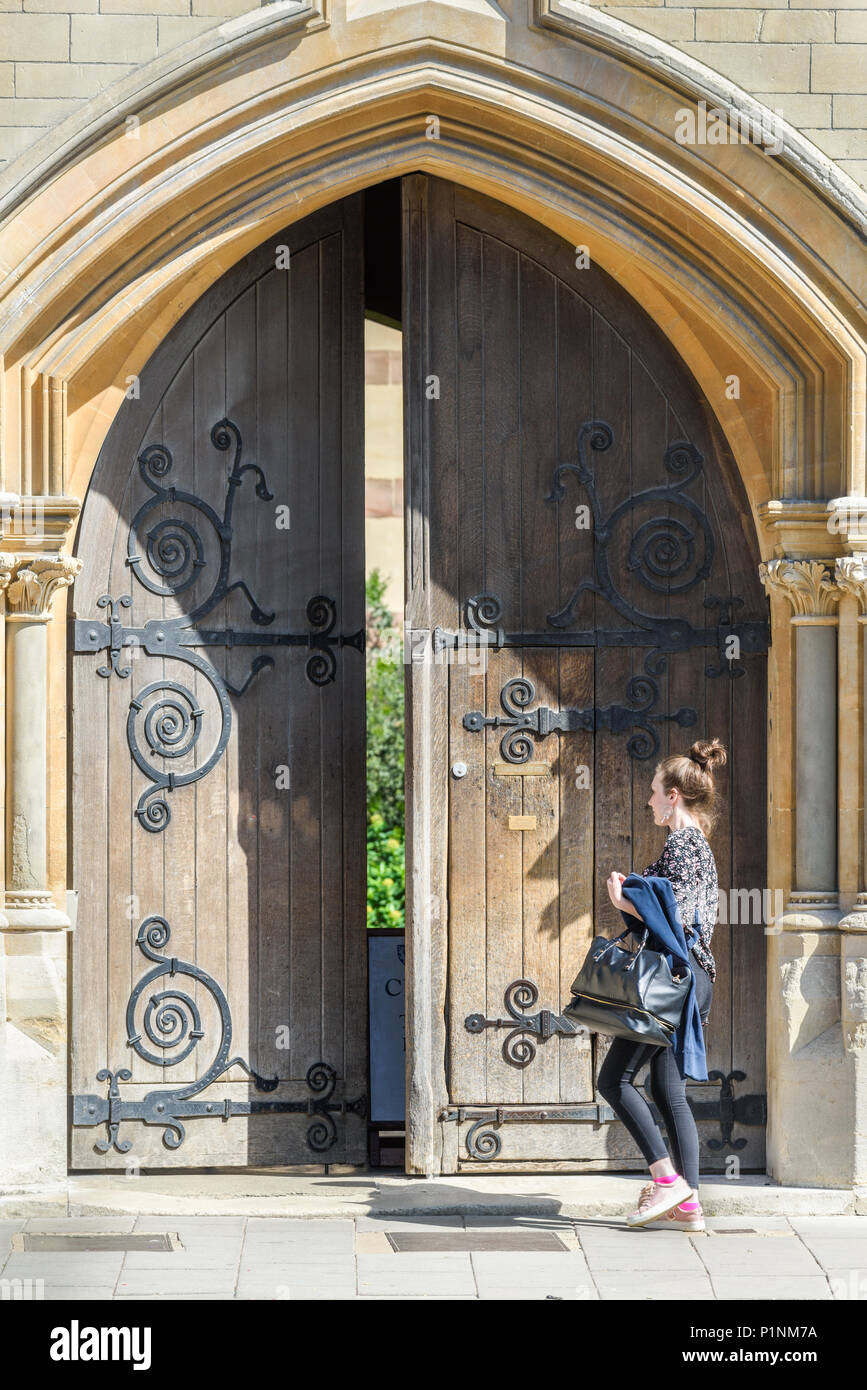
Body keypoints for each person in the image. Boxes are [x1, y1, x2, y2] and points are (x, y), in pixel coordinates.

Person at [596, 737, 726, 1232]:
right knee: (668, 1091)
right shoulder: (695, 846)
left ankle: (667, 1180)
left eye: (653, 791)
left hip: (673, 980)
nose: (648, 799)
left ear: (673, 795)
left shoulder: (682, 844)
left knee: (614, 1080)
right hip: (692, 979)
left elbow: (671, 921)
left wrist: (625, 904)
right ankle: (689, 1206)